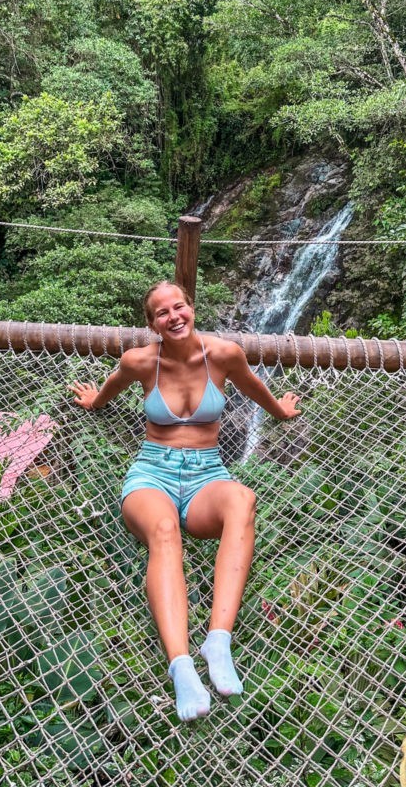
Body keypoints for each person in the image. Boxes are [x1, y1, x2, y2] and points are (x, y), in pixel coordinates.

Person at [69, 280, 300, 721]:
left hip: (206, 475)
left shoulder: (224, 354)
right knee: (163, 530)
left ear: (191, 309)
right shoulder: (139, 362)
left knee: (242, 501)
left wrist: (281, 412)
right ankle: (182, 668)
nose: (173, 316)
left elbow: (255, 390)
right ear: (151, 323)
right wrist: (93, 400)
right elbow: (108, 390)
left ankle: (218, 641)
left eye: (179, 307)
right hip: (151, 474)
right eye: (161, 312)